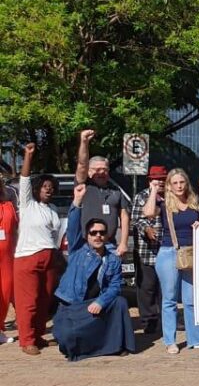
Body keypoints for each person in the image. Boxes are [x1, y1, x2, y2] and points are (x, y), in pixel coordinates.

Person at [52, 183, 136, 361]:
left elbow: (115, 286)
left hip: (95, 304)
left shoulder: (112, 259)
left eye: (102, 233)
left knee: (119, 302)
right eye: (93, 232)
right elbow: (73, 225)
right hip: (73, 305)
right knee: (65, 338)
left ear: (106, 236)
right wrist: (77, 201)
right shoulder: (77, 249)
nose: (98, 236)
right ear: (87, 235)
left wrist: (101, 301)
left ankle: (118, 345)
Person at [145, 169, 199, 353]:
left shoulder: (193, 202)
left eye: (181, 182)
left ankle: (196, 338)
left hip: (190, 253)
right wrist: (153, 191)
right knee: (169, 299)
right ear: (169, 185)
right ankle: (170, 340)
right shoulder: (164, 203)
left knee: (191, 299)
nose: (179, 186)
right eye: (174, 183)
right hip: (169, 252)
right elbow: (148, 213)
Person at [12, 143, 62, 354]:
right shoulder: (27, 204)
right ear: (37, 189)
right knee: (28, 301)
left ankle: (39, 335)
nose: (48, 190)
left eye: (51, 187)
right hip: (27, 258)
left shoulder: (52, 209)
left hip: (50, 257)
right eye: (44, 187)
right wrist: (28, 156)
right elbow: (24, 179)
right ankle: (27, 340)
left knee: (44, 300)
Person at [74, 130, 130, 256]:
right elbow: (82, 164)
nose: (101, 173)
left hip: (110, 245)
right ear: (89, 171)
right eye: (97, 169)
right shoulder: (84, 185)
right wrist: (84, 142)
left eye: (104, 169)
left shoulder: (115, 190)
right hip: (86, 245)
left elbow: (124, 216)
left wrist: (123, 243)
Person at [130, 165, 167, 334]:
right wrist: (146, 229)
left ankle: (167, 317)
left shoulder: (171, 196)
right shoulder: (141, 196)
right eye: (156, 179)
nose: (159, 182)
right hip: (147, 250)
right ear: (150, 180)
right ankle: (149, 319)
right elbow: (137, 219)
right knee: (147, 287)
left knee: (165, 286)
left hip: (166, 248)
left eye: (162, 179)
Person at [0, 174, 17, 345]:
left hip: (6, 258)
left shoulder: (8, 207)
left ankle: (0, 329)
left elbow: (16, 230)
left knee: (4, 294)